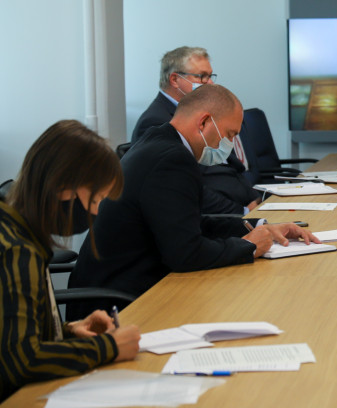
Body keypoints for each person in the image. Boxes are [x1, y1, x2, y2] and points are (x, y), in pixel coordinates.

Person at [67, 85, 319, 319]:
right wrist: (249, 247)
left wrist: (259, 227)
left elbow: (189, 223)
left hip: (122, 285)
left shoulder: (161, 141)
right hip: (120, 304)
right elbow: (186, 254)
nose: (229, 145)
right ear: (204, 122)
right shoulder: (172, 159)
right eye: (229, 134)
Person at [1, 120, 140, 401]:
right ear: (64, 187)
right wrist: (109, 348)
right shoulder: (17, 250)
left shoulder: (17, 231)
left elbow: (11, 334)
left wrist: (66, 332)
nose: (97, 212)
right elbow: (20, 360)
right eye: (96, 199)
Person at [132, 46, 258, 216]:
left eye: (210, 76)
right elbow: (189, 187)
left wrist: (255, 200)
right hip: (219, 216)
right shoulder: (155, 122)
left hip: (243, 208)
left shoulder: (207, 114)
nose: (210, 82)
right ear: (175, 80)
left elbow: (230, 168)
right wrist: (241, 212)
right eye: (202, 76)